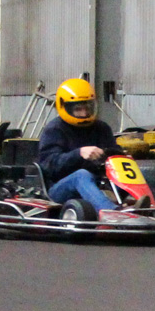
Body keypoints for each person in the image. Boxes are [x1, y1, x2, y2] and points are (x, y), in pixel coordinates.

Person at [36, 77, 119, 214]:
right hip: (59, 188)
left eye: (87, 108)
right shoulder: (54, 130)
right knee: (81, 175)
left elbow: (115, 154)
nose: (84, 113)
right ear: (64, 107)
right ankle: (112, 213)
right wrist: (78, 154)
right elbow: (49, 166)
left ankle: (150, 208)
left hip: (98, 184)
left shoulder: (102, 128)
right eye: (78, 109)